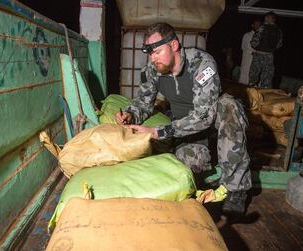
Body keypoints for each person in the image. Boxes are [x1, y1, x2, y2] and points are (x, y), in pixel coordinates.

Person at [115, 22, 251, 218]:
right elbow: (143, 103)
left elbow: (204, 115)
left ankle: (237, 189)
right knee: (187, 170)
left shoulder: (202, 64)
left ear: (174, 46)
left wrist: (157, 132)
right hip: (185, 128)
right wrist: (130, 114)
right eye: (150, 53)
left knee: (230, 106)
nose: (153, 58)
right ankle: (207, 165)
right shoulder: (151, 71)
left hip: (212, 121)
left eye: (157, 52)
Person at [249, 11, 283, 88]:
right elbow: (279, 45)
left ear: (267, 18)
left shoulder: (262, 28)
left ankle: (251, 96)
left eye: (266, 17)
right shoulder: (279, 30)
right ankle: (266, 95)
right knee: (267, 80)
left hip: (259, 55)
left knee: (253, 79)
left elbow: (253, 43)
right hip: (270, 56)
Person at [239, 19, 262, 84]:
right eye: (256, 24)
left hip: (257, 59)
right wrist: (252, 52)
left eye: (259, 25)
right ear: (252, 25)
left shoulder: (261, 36)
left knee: (256, 75)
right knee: (245, 74)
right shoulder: (247, 35)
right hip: (248, 58)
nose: (258, 26)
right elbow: (243, 47)